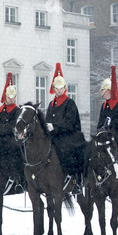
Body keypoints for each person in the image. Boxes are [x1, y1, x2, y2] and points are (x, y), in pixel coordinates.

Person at [46, 63, 86, 195]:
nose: (58, 90)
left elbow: (69, 123)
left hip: (69, 134)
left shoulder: (70, 103)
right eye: (56, 88)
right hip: (55, 135)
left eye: (60, 88)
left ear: (64, 88)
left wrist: (55, 127)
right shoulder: (51, 104)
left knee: (66, 149)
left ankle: (76, 179)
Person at [0, 73, 25, 194]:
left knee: (13, 155)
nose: (11, 99)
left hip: (10, 139)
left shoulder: (17, 110)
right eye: (9, 96)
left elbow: (12, 126)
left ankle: (16, 180)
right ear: (5, 96)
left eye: (13, 96)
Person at [97, 65, 118, 180]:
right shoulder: (104, 106)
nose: (102, 92)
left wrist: (114, 123)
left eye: (103, 90)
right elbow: (100, 122)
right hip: (106, 135)